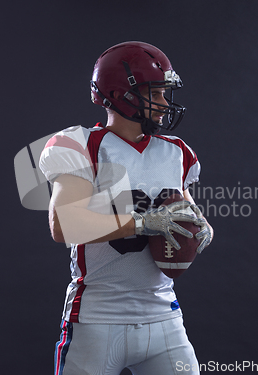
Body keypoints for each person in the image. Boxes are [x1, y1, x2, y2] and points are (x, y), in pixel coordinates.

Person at [39, 41, 213, 375]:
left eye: (165, 94)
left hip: (163, 316)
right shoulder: (80, 145)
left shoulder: (177, 152)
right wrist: (143, 223)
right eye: (156, 93)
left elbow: (186, 212)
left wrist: (201, 226)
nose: (164, 104)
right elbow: (64, 225)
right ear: (122, 95)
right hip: (97, 318)